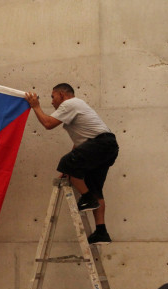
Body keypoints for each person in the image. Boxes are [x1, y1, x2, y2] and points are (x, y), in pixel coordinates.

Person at [25, 83, 119, 244]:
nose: (52, 102)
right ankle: (101, 232)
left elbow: (48, 124)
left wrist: (36, 106)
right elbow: (80, 145)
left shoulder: (70, 103)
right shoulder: (78, 107)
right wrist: (70, 167)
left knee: (66, 162)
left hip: (101, 144)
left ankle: (88, 198)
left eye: (53, 97)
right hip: (107, 146)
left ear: (62, 94)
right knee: (95, 187)